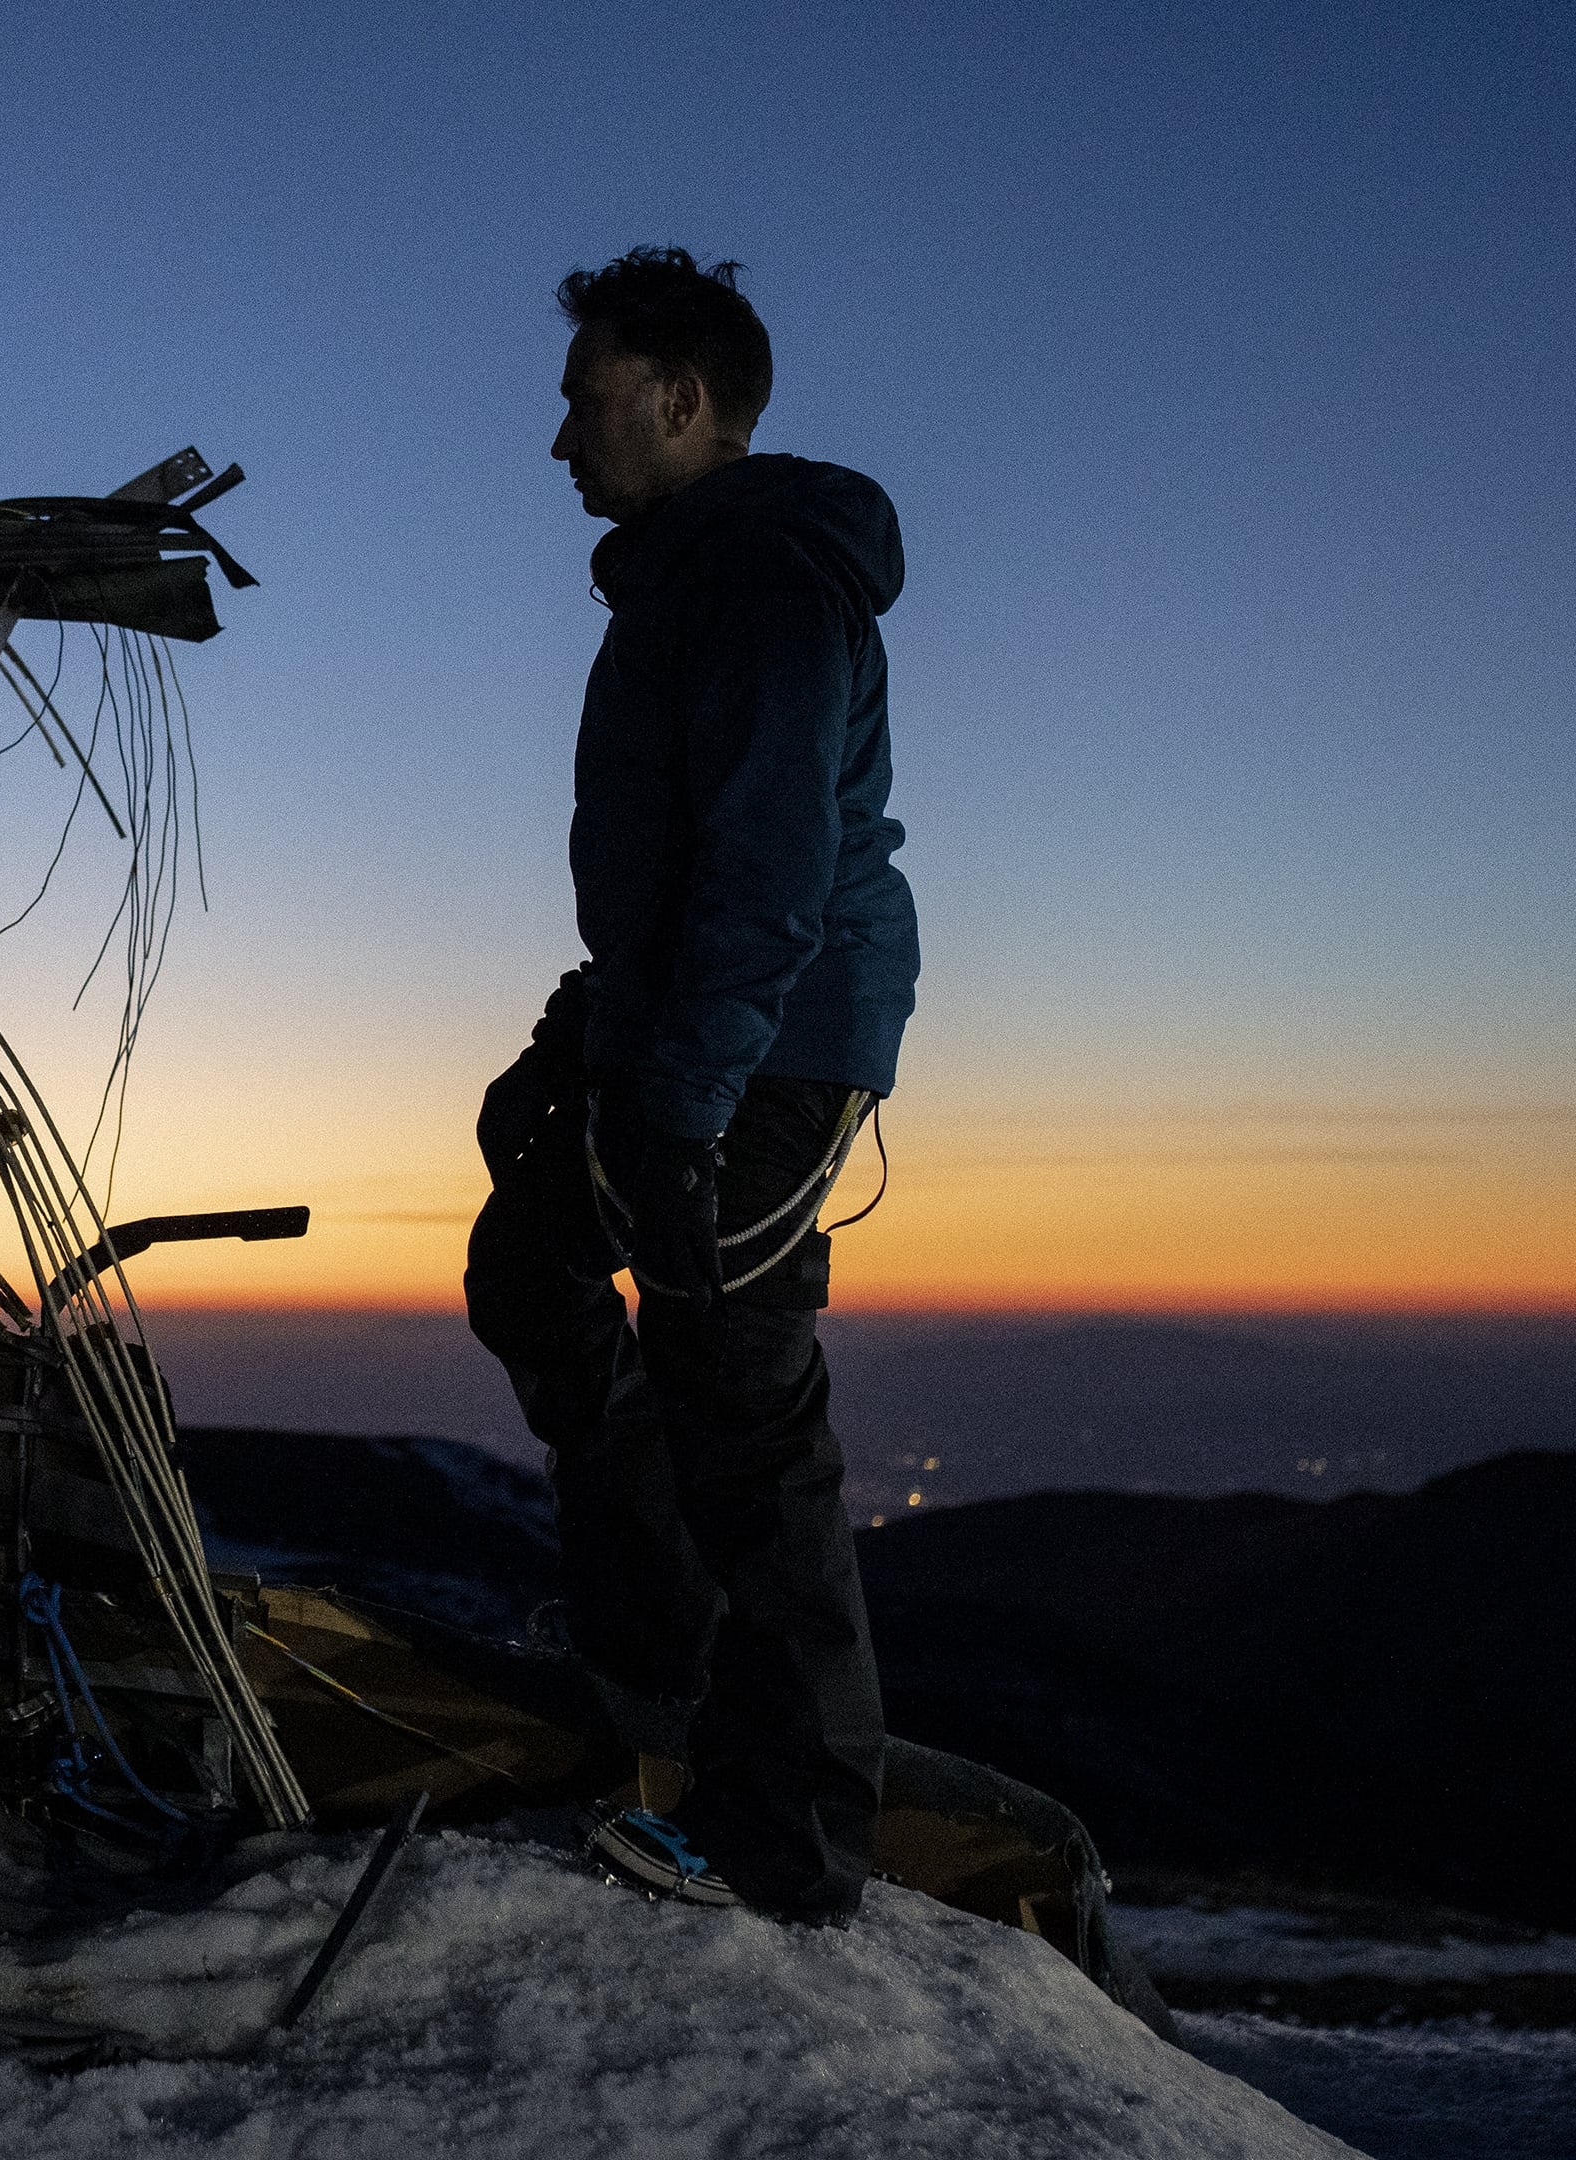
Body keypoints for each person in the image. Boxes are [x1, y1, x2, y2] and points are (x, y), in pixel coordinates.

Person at [466, 246, 917, 1924]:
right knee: (533, 1269)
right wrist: (581, 1034)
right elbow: (679, 874)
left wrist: (683, 1099)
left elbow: (769, 876)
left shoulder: (759, 579)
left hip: (771, 1042)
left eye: (584, 403)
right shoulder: (691, 576)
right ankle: (658, 1663)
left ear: (681, 400)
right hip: (692, 1024)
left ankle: (784, 1840)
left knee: (738, 1390)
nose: (560, 442)